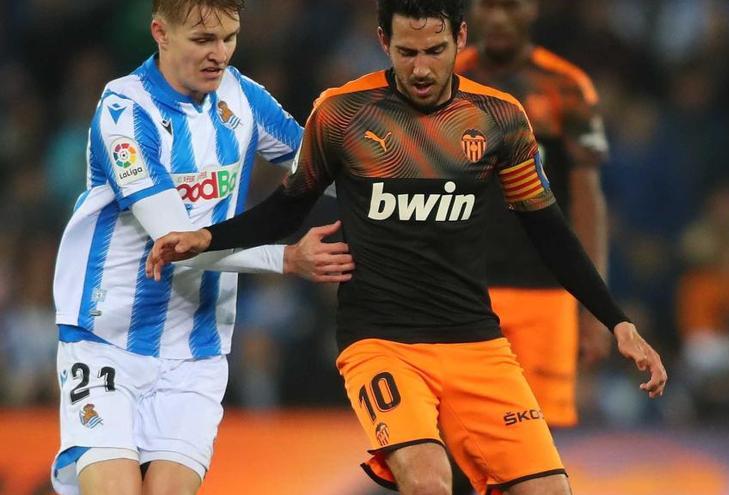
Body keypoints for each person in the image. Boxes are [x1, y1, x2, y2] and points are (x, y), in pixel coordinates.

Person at [148, 1, 667, 494]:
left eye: (435, 50)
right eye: (407, 52)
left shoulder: (499, 118)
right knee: (427, 479)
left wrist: (616, 321)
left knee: (550, 487)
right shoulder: (342, 114)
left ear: (460, 38)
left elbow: (548, 229)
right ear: (383, 42)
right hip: (382, 341)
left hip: (475, 343)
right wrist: (209, 238)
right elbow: (288, 206)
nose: (421, 68)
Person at [50, 1, 353, 494]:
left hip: (197, 351)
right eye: (203, 40)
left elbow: (323, 170)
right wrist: (286, 259)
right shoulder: (125, 111)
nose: (220, 54)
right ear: (160, 33)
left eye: (229, 38)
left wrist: (418, 177)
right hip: (107, 339)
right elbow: (179, 244)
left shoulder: (242, 98)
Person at [457, 0, 612, 430]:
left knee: (539, 443)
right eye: (490, 5)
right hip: (465, 290)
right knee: (462, 436)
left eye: (511, 5)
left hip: (546, 294)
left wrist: (595, 305)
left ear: (532, 8)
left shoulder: (567, 87)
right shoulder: (447, 81)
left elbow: (587, 200)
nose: (500, 18)